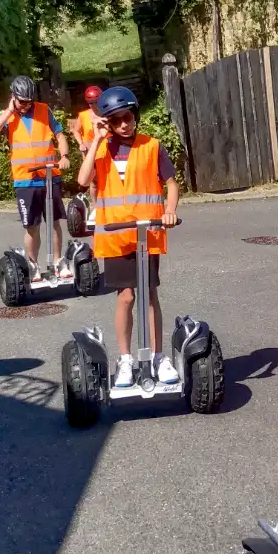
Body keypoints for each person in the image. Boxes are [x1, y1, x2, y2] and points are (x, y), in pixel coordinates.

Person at [77, 86, 180, 388]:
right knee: (126, 297)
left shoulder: (152, 146)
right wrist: (96, 139)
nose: (124, 123)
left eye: (129, 117)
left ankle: (158, 357)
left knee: (149, 295)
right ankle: (125, 359)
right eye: (117, 119)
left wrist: (170, 210)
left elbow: (171, 183)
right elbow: (83, 181)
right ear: (107, 121)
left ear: (136, 115)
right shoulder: (102, 148)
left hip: (147, 232)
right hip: (114, 236)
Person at [0, 76, 72, 282]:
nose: (25, 105)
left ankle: (59, 262)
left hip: (50, 176)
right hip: (25, 180)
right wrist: (9, 111)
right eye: (21, 101)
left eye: (28, 101)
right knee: (31, 226)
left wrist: (65, 156)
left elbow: (59, 135)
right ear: (13, 97)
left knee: (54, 222)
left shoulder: (44, 110)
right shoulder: (6, 116)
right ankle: (33, 265)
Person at [69, 84, 102, 221]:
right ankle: (96, 207)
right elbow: (76, 131)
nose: (93, 105)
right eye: (90, 103)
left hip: (106, 149)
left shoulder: (107, 112)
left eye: (96, 102)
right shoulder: (83, 116)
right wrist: (81, 143)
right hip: (90, 150)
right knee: (93, 181)